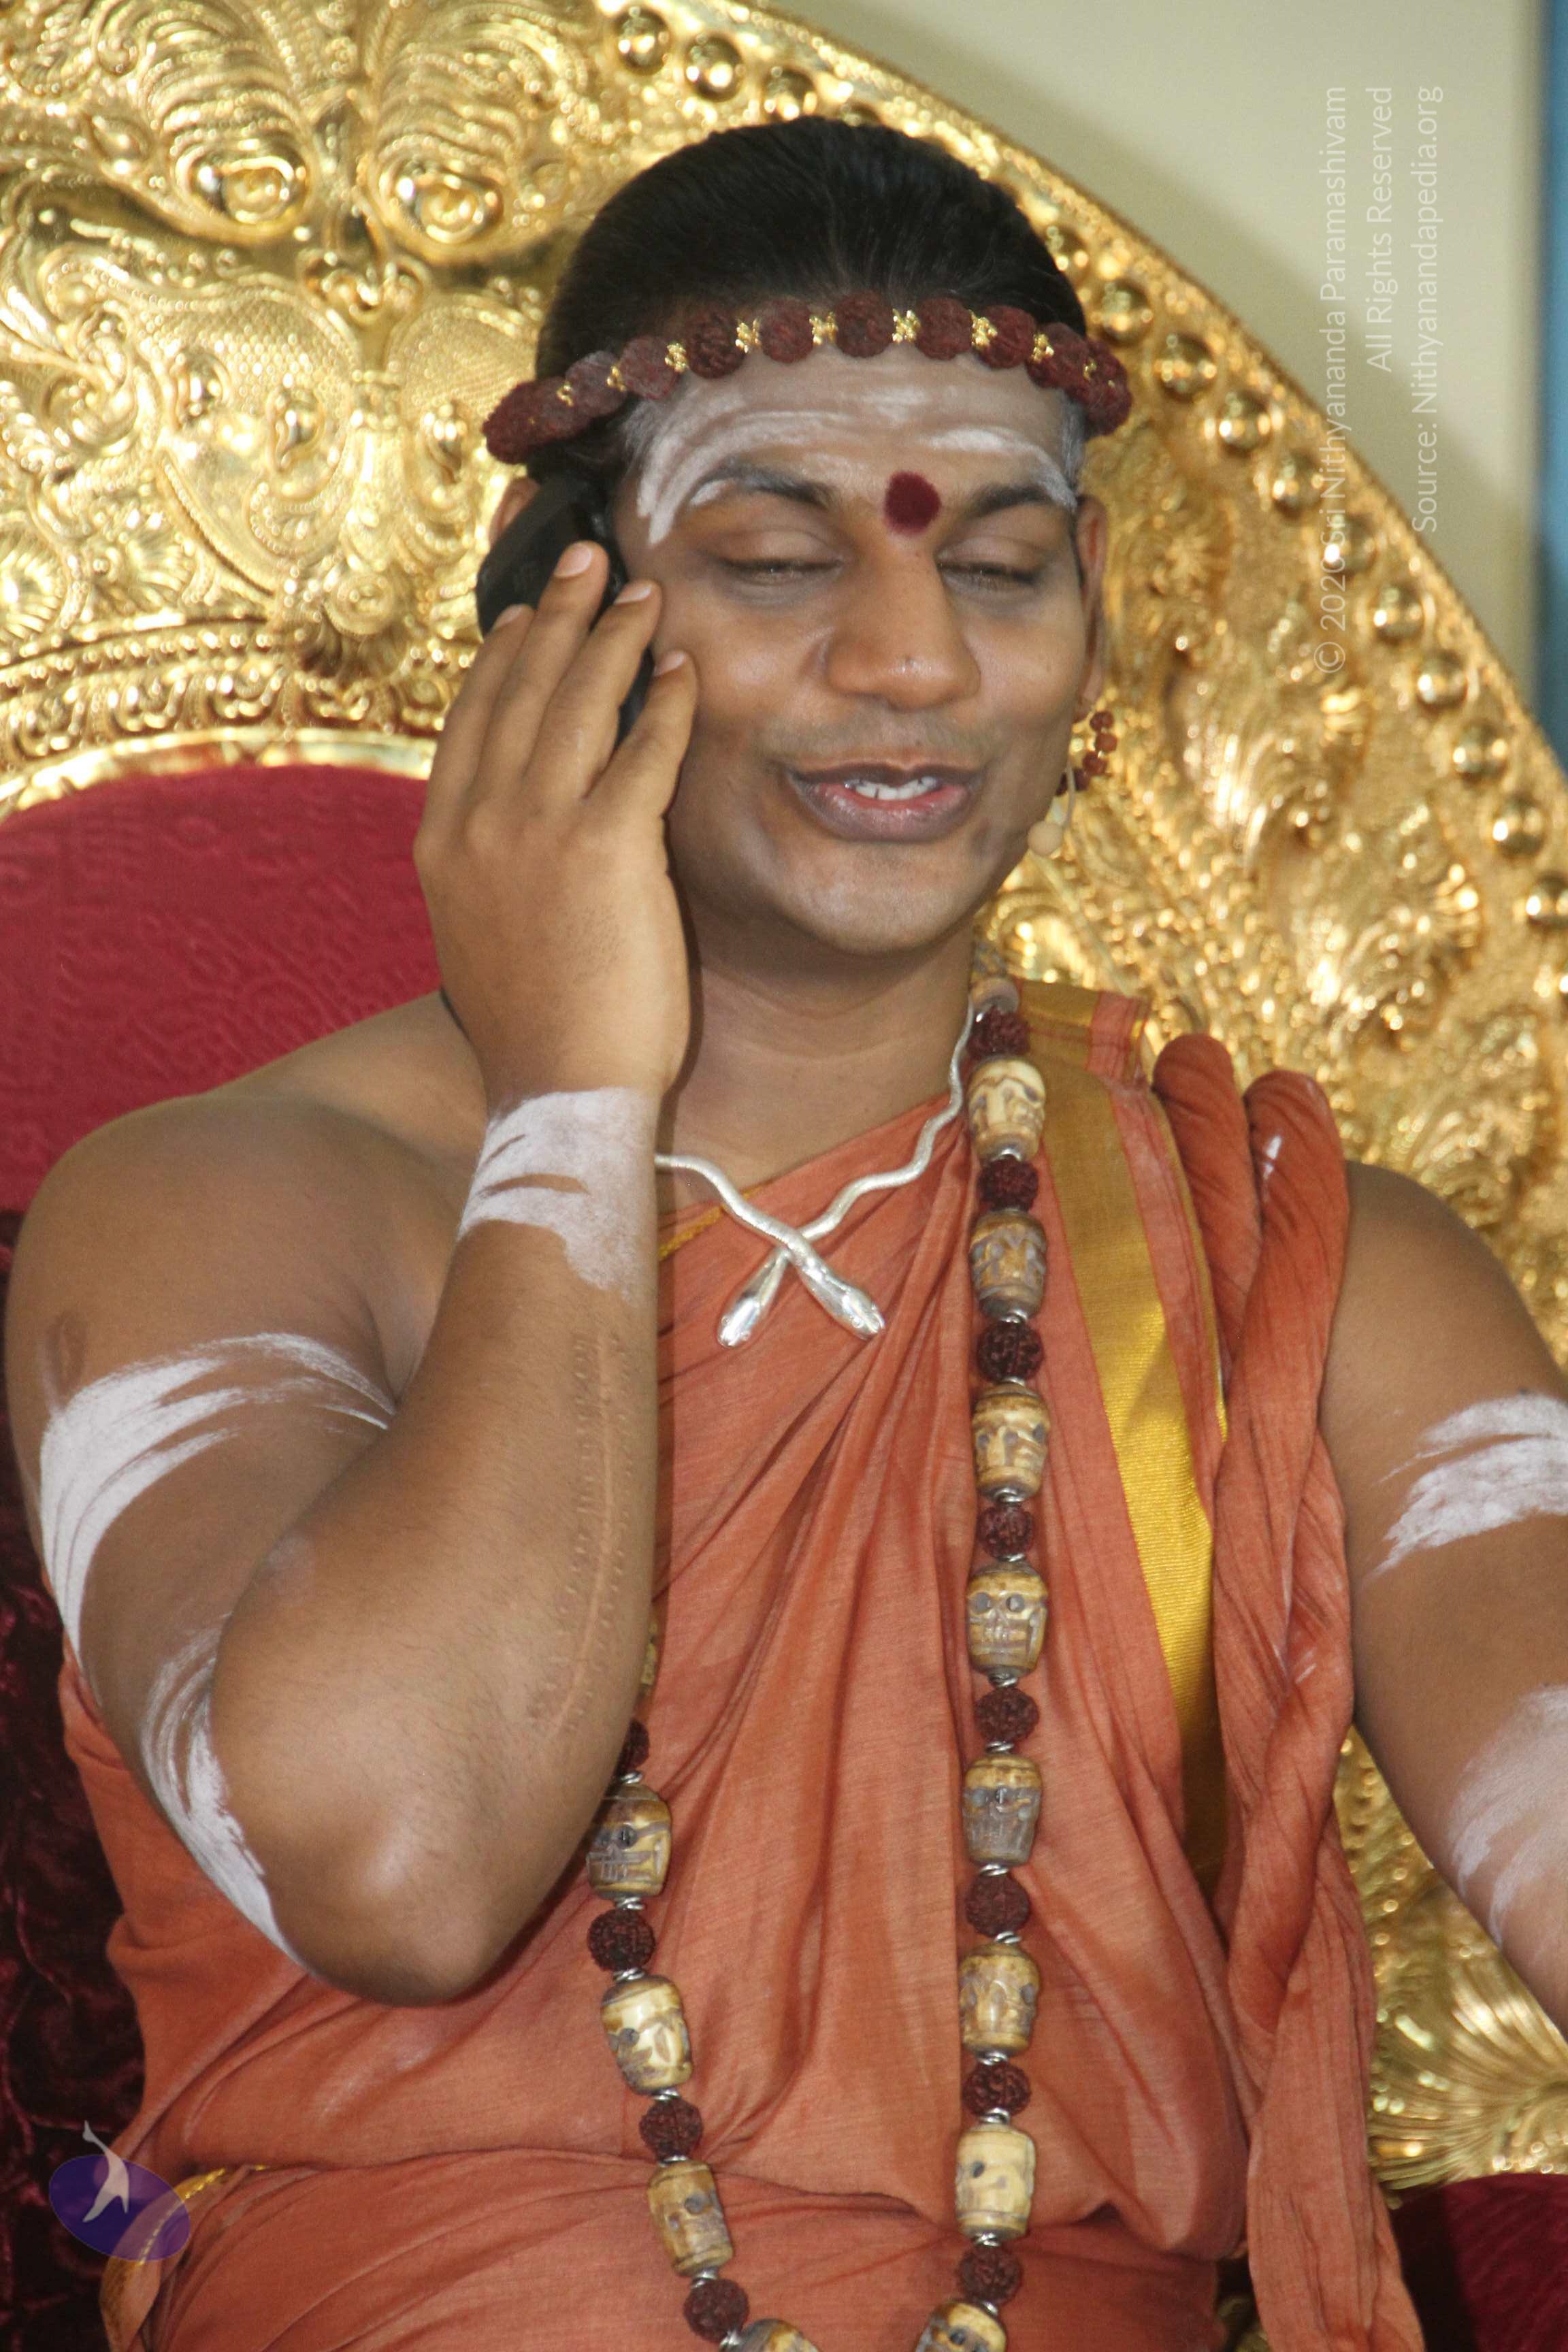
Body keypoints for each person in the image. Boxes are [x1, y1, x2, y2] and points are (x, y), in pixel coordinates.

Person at [5, 116, 1565, 2352]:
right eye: (772, 556)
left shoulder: (1289, 1277)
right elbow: (403, 1866)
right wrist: (573, 1100)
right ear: (564, 624)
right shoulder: (228, 1207)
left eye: (1001, 567)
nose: (914, 660)